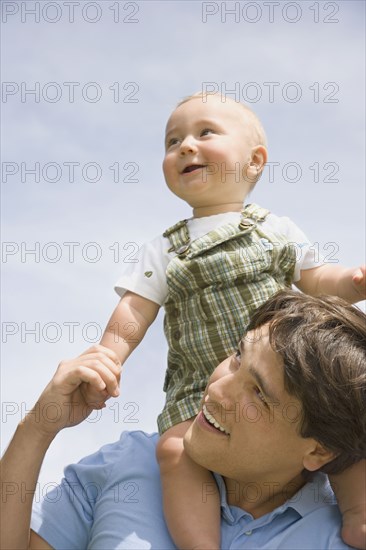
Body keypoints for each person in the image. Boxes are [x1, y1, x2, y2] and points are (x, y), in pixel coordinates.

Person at [95, 91, 366, 550]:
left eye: (205, 133)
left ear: (255, 160)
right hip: (198, 384)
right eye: (173, 140)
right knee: (175, 452)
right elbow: (134, 309)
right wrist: (108, 353)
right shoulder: (165, 249)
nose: (184, 146)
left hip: (281, 375)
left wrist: (352, 282)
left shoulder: (275, 229)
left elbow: (315, 277)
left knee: (341, 440)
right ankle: (202, 544)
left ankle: (358, 512)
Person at [1, 290, 365, 549]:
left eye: (259, 394)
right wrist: (37, 429)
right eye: (238, 356)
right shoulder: (129, 462)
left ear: (319, 451)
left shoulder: (339, 535)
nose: (218, 390)